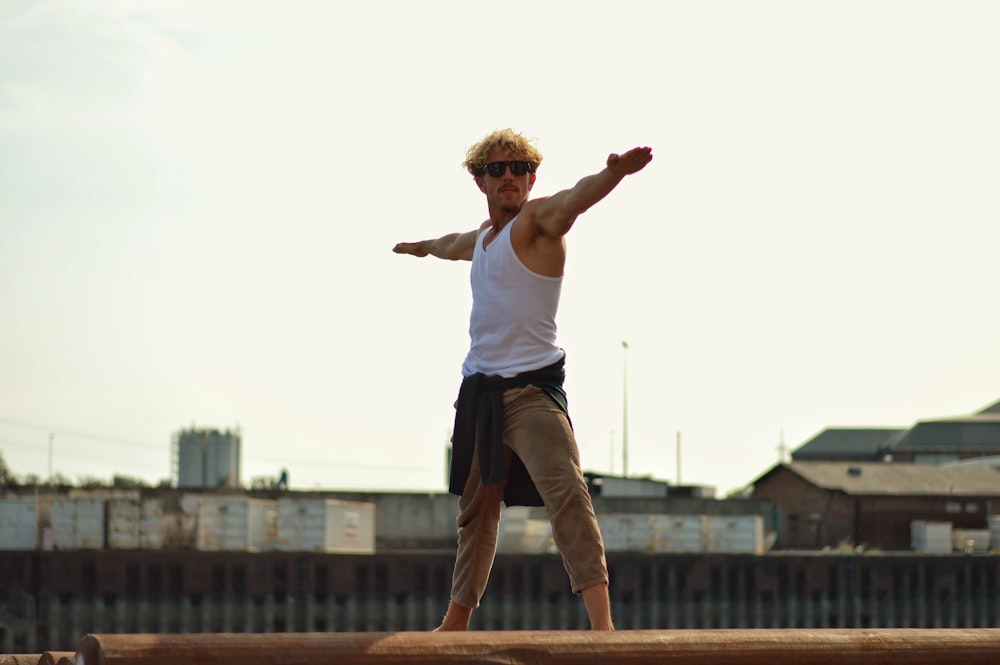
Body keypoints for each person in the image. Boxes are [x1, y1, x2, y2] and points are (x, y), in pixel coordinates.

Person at [393, 129, 652, 631]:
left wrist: (613, 175)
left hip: (532, 394)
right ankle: (455, 623)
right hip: (479, 394)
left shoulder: (536, 224)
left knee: (568, 496)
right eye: (496, 169)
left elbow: (572, 201)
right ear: (480, 182)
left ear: (532, 179)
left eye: (517, 169)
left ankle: (603, 629)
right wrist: (420, 247)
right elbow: (449, 245)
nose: (507, 176)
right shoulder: (483, 241)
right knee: (476, 513)